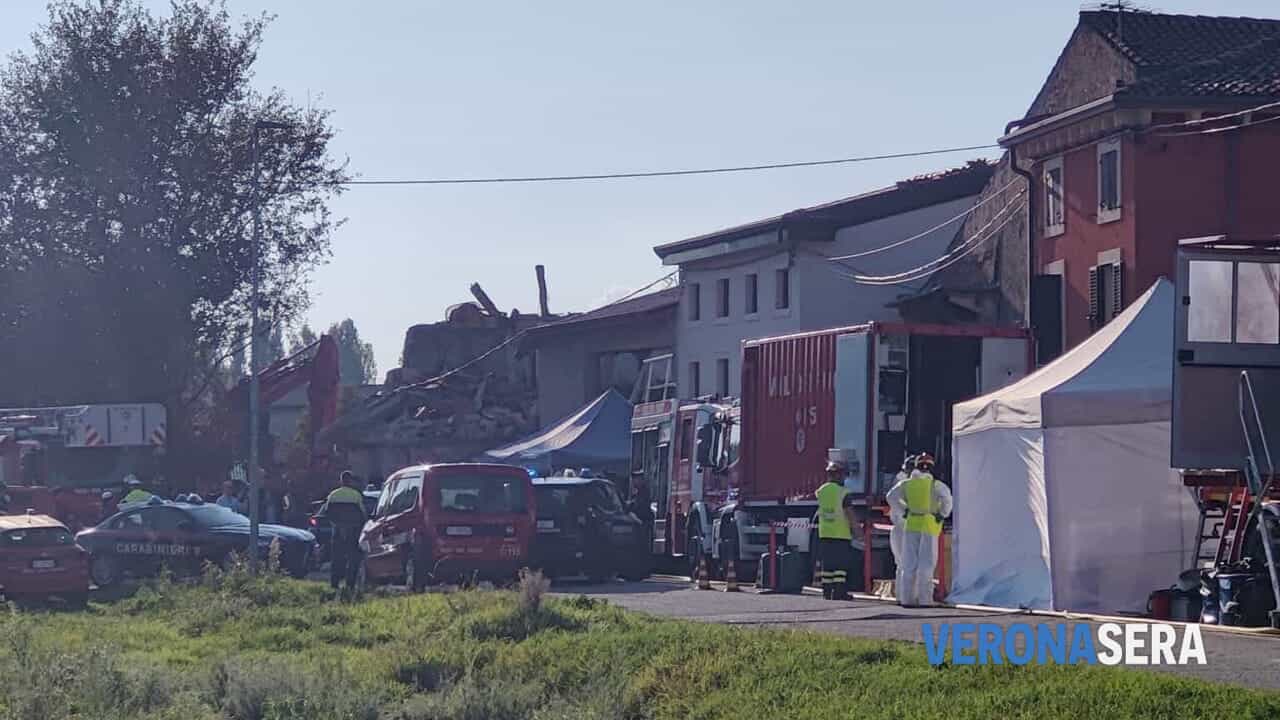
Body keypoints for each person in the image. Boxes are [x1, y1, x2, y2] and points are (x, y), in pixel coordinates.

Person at [886, 452, 953, 608]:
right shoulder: (935, 484)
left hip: (911, 525)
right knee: (927, 564)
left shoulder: (907, 484)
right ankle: (925, 600)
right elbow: (947, 501)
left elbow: (891, 497)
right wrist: (942, 514)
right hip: (929, 526)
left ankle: (906, 599)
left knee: (908, 563)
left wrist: (904, 510)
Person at [319, 470, 368, 591]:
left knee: (336, 558)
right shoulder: (356, 495)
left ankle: (334, 584)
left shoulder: (333, 495)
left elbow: (326, 512)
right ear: (350, 480)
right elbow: (363, 514)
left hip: (337, 531)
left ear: (341, 481)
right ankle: (350, 584)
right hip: (353, 531)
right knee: (353, 558)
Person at [815, 460, 857, 601]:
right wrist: (858, 531)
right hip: (841, 534)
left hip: (825, 533)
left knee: (827, 565)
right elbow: (849, 514)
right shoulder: (843, 493)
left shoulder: (821, 491)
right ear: (839, 475)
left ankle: (827, 592)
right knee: (840, 566)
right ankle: (839, 593)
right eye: (844, 475)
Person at [889, 454, 916, 599]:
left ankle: (902, 596)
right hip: (905, 527)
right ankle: (909, 597)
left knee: (901, 565)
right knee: (909, 564)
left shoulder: (900, 480)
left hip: (899, 527)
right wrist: (906, 511)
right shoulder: (906, 483)